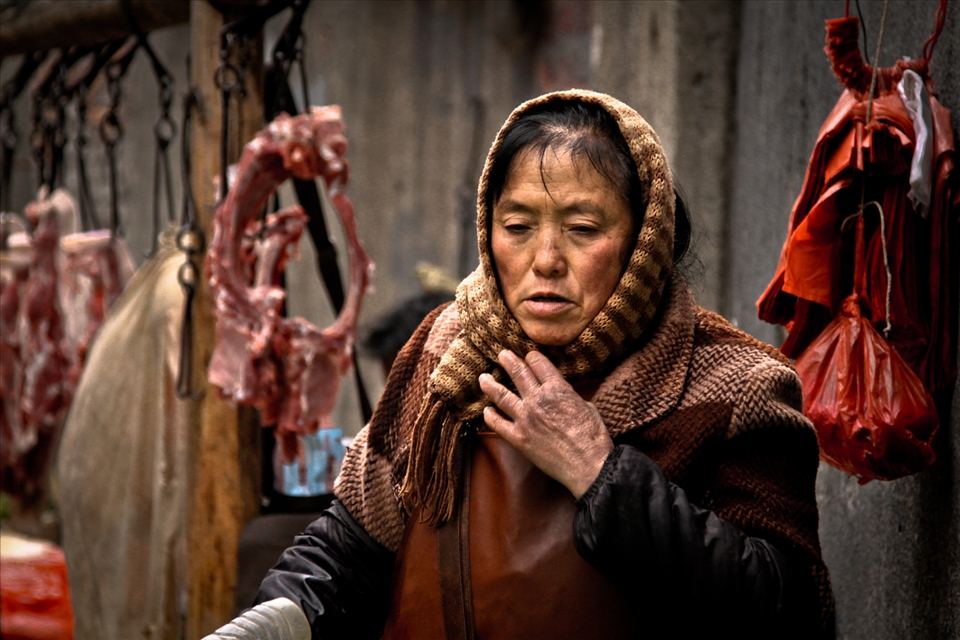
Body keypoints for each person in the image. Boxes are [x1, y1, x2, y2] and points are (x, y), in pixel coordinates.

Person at [212, 90, 834, 639]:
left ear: (646, 240)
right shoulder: (446, 352)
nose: (545, 260)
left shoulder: (736, 388)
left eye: (583, 229)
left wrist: (601, 474)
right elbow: (349, 551)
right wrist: (273, 621)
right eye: (517, 226)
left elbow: (788, 610)